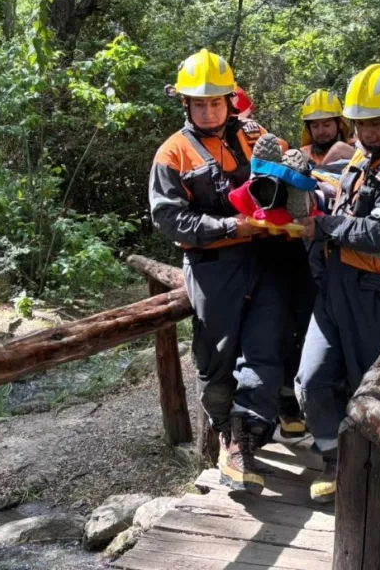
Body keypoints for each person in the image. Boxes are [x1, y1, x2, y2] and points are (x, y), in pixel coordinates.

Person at [149, 48, 287, 495]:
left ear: (231, 100)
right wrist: (232, 224)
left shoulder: (254, 136)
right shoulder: (172, 154)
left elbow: (288, 173)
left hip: (264, 260)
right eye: (200, 103)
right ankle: (228, 436)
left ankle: (246, 442)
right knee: (217, 358)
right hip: (212, 266)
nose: (209, 111)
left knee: (265, 349)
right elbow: (169, 219)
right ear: (186, 104)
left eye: (217, 102)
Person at [296, 64, 380, 503]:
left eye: (375, 123)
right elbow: (341, 197)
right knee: (312, 379)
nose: (367, 132)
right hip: (338, 286)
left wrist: (325, 225)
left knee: (376, 388)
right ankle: (336, 460)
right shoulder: (363, 155)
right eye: (360, 123)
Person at [300, 89, 353, 166]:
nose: (321, 132)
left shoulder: (358, 149)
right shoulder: (302, 156)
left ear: (340, 124)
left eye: (326, 125)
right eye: (315, 126)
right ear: (308, 129)